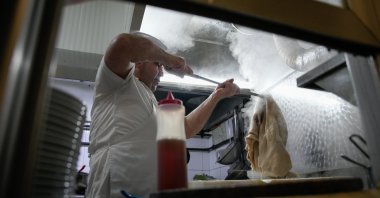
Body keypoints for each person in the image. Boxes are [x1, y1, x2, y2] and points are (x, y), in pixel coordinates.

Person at [86, 32, 240, 198]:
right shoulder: (117, 83)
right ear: (138, 62)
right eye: (157, 65)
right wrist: (172, 61)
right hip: (116, 185)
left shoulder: (152, 102)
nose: (162, 72)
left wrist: (216, 96)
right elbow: (123, 43)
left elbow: (185, 128)